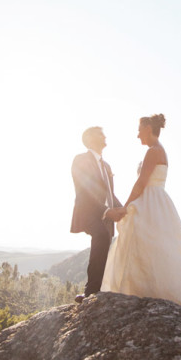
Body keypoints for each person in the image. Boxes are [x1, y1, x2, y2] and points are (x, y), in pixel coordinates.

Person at [102, 114, 181, 316]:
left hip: (151, 201)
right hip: (156, 202)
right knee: (155, 246)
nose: (137, 136)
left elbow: (141, 183)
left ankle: (146, 291)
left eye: (139, 130)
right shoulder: (158, 150)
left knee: (147, 244)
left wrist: (125, 207)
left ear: (147, 128)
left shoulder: (154, 151)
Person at [71, 126, 122, 304]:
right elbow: (85, 190)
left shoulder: (106, 165)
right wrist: (107, 211)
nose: (105, 136)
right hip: (88, 211)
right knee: (100, 236)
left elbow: (110, 193)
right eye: (101, 133)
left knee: (105, 246)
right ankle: (90, 292)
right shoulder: (80, 160)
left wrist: (125, 209)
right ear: (91, 138)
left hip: (105, 215)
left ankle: (100, 289)